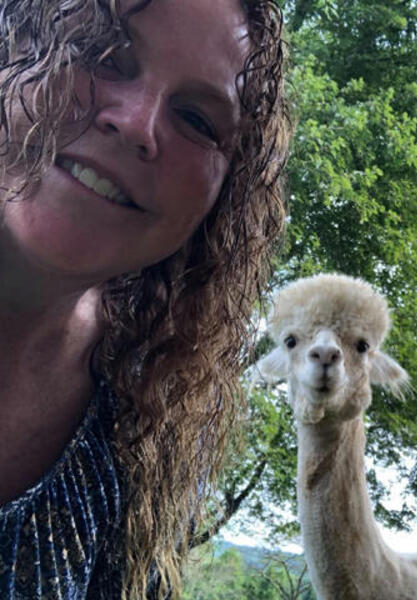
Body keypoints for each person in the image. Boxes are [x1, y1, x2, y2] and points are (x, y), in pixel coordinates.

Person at [0, 0, 290, 597]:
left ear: (223, 200)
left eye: (197, 119)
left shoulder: (143, 422)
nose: (137, 123)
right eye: (103, 53)